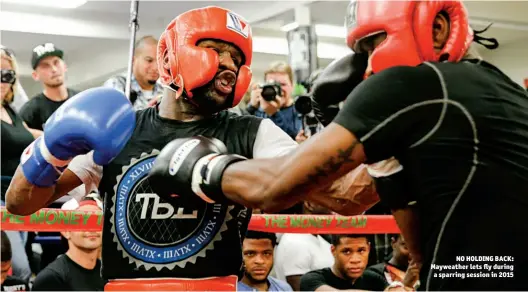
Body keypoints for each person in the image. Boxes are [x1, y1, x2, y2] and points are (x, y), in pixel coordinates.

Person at [147, 1, 528, 290]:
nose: (367, 66)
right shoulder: (508, 92)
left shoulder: (411, 84)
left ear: (438, 27)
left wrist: (202, 167)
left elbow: (275, 187)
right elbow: (408, 229)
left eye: (374, 44)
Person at [5, 6, 376, 290]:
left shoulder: (253, 132)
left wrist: (380, 128)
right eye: (216, 51)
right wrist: (50, 151)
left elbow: (345, 196)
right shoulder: (120, 128)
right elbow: (22, 203)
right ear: (169, 58)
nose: (230, 66)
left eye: (238, 60)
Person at [1, 46, 40, 284]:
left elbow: (36, 136)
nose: (3, 81)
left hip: (18, 198)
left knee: (16, 273)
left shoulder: (10, 112)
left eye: (8, 75)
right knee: (17, 268)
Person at [32, 195, 106, 291]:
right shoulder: (52, 278)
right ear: (65, 231)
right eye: (83, 221)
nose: (92, 229)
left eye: (97, 221)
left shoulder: (108, 274)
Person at [273, 202, 334, 290]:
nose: (334, 204)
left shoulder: (319, 239)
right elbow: (300, 289)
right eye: (328, 197)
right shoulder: (295, 240)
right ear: (310, 204)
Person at [19, 43, 80, 130]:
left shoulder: (81, 99)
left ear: (65, 66)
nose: (54, 69)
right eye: (45, 66)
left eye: (56, 62)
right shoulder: (30, 112)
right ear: (35, 75)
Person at [300, 234, 387, 291]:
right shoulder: (312, 279)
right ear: (333, 250)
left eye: (361, 251)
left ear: (368, 248)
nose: (355, 260)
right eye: (347, 252)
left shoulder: (373, 278)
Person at [104, 36, 163, 110]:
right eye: (149, 60)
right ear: (133, 60)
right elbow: (114, 118)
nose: (156, 67)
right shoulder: (117, 85)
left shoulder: (164, 93)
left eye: (159, 62)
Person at [246, 62, 302, 139]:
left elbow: (289, 142)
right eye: (272, 84)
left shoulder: (299, 110)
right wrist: (251, 107)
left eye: (282, 84)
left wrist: (274, 114)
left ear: (292, 85)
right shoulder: (259, 108)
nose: (277, 89)